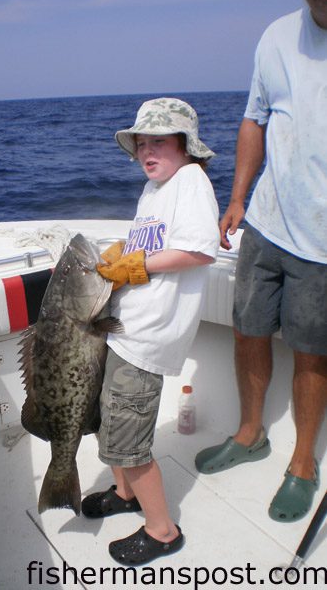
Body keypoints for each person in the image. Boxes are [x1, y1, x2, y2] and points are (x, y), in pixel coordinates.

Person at [195, 0, 327, 523]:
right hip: (266, 226)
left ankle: (302, 464)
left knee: (312, 353)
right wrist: (237, 199)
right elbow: (256, 119)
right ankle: (250, 434)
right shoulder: (275, 36)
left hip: (322, 246)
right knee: (248, 330)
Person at [82, 97, 220, 565]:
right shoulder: (155, 188)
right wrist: (126, 250)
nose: (146, 150)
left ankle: (162, 531)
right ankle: (125, 494)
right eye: (141, 143)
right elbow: (157, 241)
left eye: (158, 140)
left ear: (185, 145)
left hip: (146, 340)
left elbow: (200, 251)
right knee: (111, 424)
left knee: (129, 439)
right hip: (123, 329)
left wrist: (135, 263)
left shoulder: (191, 180)